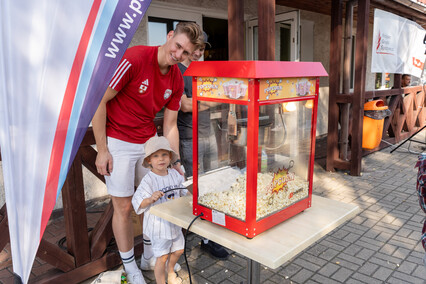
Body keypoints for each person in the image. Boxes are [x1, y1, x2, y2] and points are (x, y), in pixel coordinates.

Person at [92, 22, 204, 284]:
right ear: (169, 37)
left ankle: (148, 257)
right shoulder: (135, 58)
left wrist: (174, 159)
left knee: (156, 200)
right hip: (118, 140)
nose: (178, 55)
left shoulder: (177, 77)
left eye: (186, 53)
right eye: (178, 46)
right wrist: (102, 149)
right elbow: (100, 101)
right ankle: (130, 266)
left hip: (148, 143)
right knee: (122, 206)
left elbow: (171, 124)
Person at [177, 33, 229, 260]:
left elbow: (224, 96)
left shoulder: (204, 70)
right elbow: (185, 105)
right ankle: (196, 232)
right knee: (194, 187)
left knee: (214, 183)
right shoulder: (178, 70)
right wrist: (212, 100)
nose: (198, 53)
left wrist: (204, 100)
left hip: (209, 133)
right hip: (188, 137)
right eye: (195, 48)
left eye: (201, 49)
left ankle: (211, 236)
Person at [132, 136, 187, 284]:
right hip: (159, 226)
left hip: (174, 222)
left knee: (178, 250)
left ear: (170, 157)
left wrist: (191, 194)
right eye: (155, 156)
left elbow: (184, 192)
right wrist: (150, 199)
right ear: (149, 160)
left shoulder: (175, 174)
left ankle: (170, 272)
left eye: (164, 155)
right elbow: (137, 202)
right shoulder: (148, 180)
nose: (160, 159)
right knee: (161, 257)